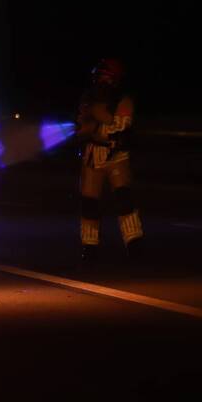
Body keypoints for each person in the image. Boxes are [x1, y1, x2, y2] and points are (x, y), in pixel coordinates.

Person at [76, 58, 144, 263]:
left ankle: (134, 243)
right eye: (99, 78)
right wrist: (92, 126)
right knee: (89, 204)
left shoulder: (123, 100)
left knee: (124, 200)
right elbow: (81, 126)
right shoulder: (87, 99)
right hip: (92, 157)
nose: (101, 82)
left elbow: (119, 128)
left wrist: (97, 122)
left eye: (106, 78)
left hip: (117, 157)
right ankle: (89, 246)